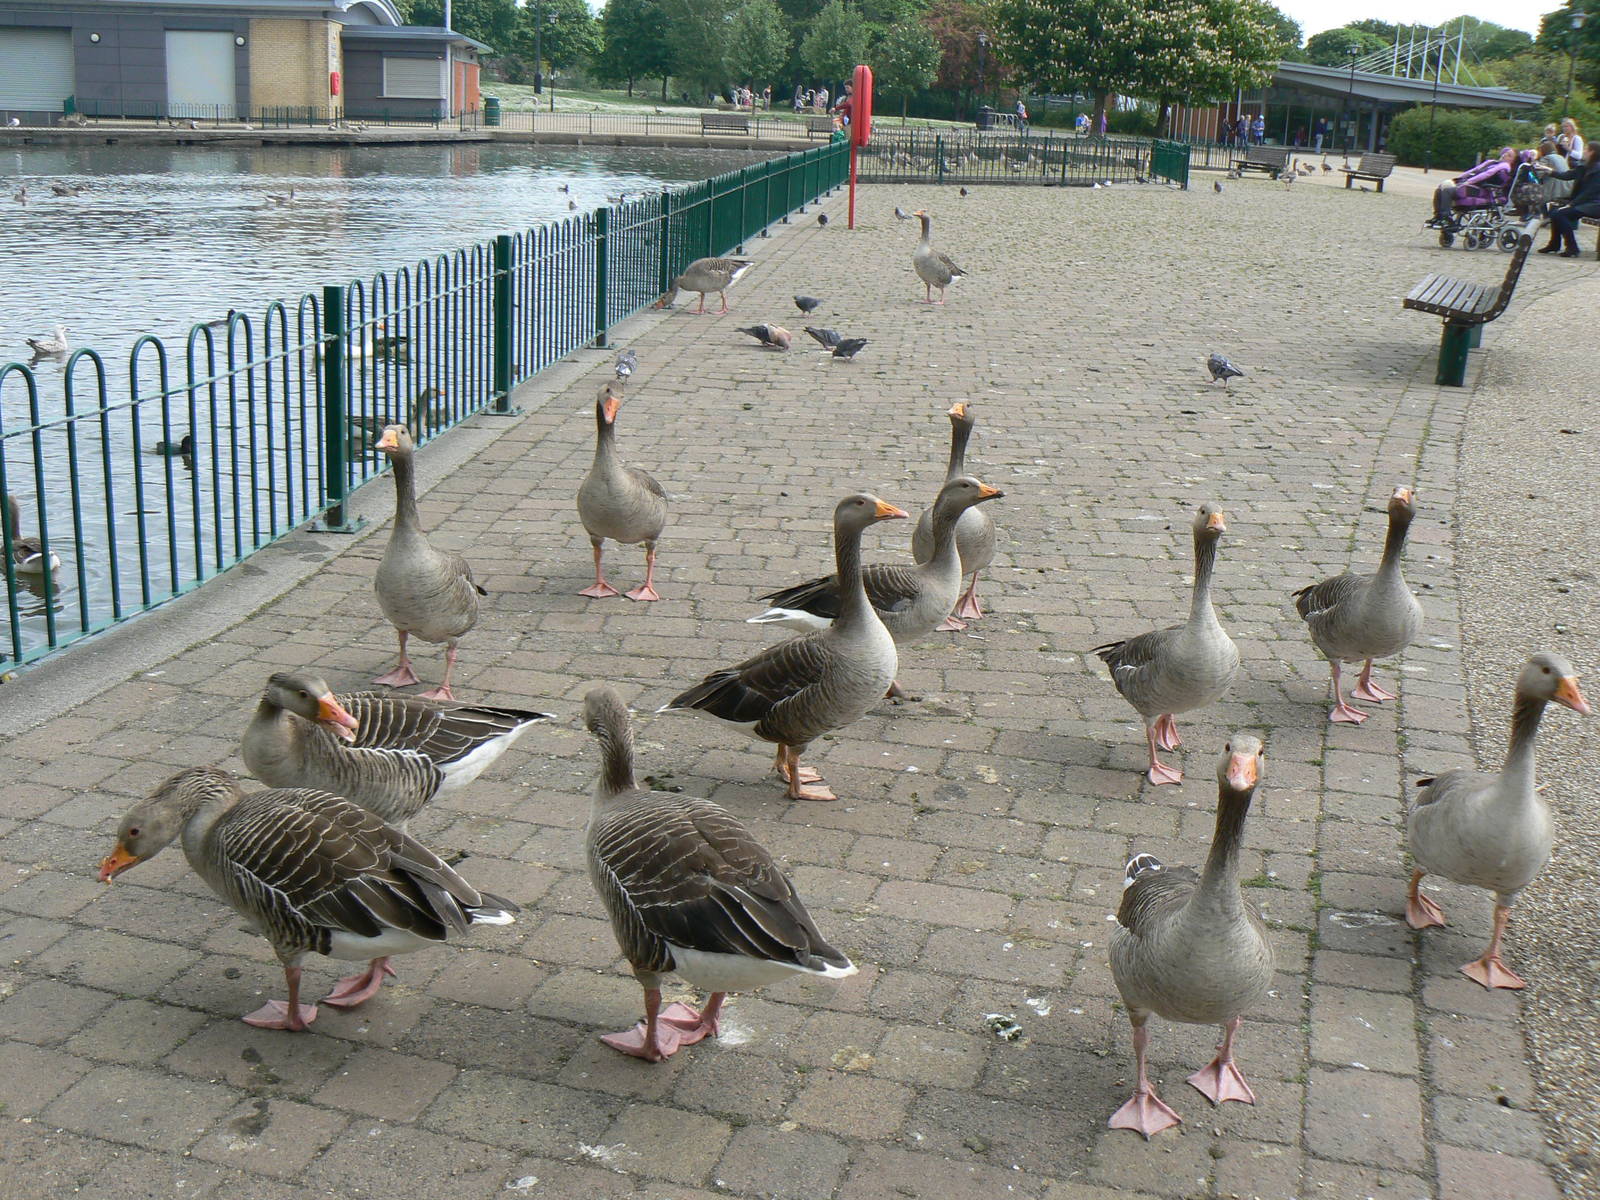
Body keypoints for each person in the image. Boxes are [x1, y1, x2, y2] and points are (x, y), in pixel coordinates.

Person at [1537, 141, 1600, 256]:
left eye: (1586, 149)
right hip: (1585, 202)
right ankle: (1554, 244)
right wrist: (1549, 171)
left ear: (1592, 152)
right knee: (1554, 211)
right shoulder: (1585, 167)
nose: (1584, 151)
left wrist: (1572, 204)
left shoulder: (1597, 169)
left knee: (1560, 214)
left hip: (1595, 204)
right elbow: (1566, 175)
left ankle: (1572, 248)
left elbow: (1590, 192)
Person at [1428, 147, 1515, 225]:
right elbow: (1474, 170)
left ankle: (1445, 217)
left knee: (1447, 191)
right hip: (1472, 185)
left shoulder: (1505, 166)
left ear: (1513, 160)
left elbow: (1487, 174)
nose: (1505, 155)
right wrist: (1459, 178)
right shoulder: (1491, 162)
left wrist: (1469, 181)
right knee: (1439, 190)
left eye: (1509, 155)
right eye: (1506, 153)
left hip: (1482, 189)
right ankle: (1439, 216)